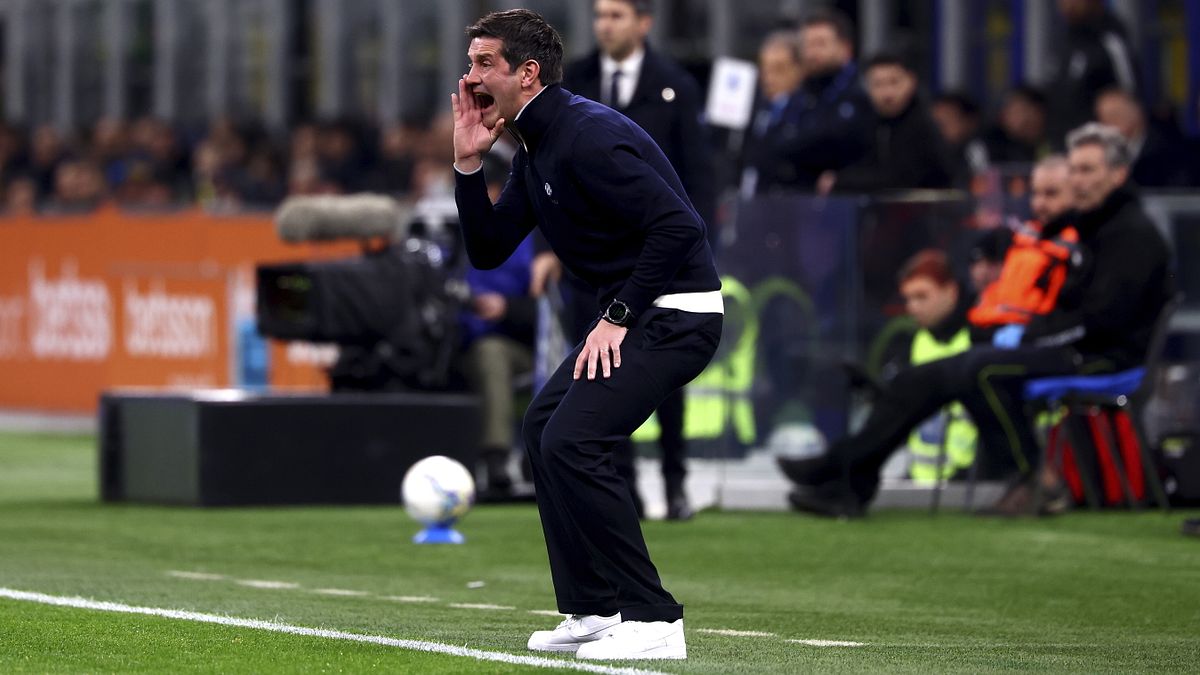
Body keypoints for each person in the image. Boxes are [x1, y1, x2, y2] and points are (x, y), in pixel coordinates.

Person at [451, 9, 722, 660]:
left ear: (528, 73)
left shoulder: (586, 134)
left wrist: (618, 315)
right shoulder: (534, 144)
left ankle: (653, 617)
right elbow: (488, 249)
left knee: (573, 439)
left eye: (485, 63)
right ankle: (594, 608)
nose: (470, 77)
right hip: (640, 313)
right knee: (544, 428)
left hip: (678, 312)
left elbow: (679, 226)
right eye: (471, 63)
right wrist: (467, 166)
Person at [782, 130, 1172, 517]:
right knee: (922, 377)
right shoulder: (1089, 228)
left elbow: (1101, 321)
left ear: (1118, 174)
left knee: (979, 369)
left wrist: (1029, 337)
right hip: (1065, 345)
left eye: (1088, 170)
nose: (1078, 180)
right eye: (1074, 170)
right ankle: (849, 477)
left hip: (1103, 358)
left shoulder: (1130, 235)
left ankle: (1037, 479)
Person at [551, 0, 715, 520]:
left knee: (664, 380)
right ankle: (623, 488)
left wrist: (698, 248)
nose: (605, 25)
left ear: (644, 22)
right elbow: (546, 173)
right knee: (597, 371)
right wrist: (546, 248)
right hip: (596, 264)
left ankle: (675, 482)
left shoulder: (675, 84)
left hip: (661, 259)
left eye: (616, 15)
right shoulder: (573, 80)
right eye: (600, 15)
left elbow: (697, 173)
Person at [462, 153, 537, 499]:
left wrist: (507, 309)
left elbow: (550, 309)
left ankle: (500, 459)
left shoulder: (531, 241)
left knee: (492, 353)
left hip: (518, 345)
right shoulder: (455, 236)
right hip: (457, 343)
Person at [765, 8, 874, 191]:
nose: (812, 53)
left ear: (845, 48)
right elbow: (773, 144)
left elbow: (835, 142)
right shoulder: (799, 94)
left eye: (820, 44)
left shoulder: (861, 94)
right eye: (807, 45)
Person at [819, 51, 954, 194]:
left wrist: (840, 181)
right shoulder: (874, 122)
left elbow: (900, 179)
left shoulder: (922, 125)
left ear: (911, 81)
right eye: (878, 84)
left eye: (894, 82)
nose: (887, 93)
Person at [1045, 0, 1139, 148]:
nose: (1067, 4)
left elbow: (1129, 97)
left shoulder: (1110, 40)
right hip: (1062, 146)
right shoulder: (1063, 40)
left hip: (1100, 149)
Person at [740, 29, 807, 196]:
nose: (769, 78)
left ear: (799, 69)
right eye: (765, 69)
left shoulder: (809, 109)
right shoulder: (752, 107)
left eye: (779, 69)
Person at [1094, 87, 1190, 188]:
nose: (1106, 125)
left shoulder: (1169, 150)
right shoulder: (1101, 152)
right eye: (1102, 118)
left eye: (1114, 116)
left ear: (1136, 113)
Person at [932, 91, 991, 187]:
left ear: (969, 121)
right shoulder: (928, 153)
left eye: (947, 120)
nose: (940, 128)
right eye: (936, 122)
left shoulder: (979, 150)